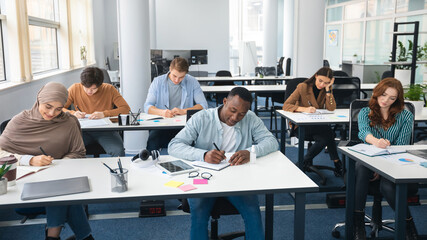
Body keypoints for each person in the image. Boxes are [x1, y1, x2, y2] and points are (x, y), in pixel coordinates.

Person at [168, 87, 278, 240]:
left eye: (241, 114)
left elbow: (272, 142)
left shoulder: (250, 118)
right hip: (205, 179)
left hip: (238, 179)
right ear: (224, 101)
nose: (235, 117)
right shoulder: (201, 118)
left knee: (253, 213)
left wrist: (251, 152)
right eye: (232, 110)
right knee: (199, 214)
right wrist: (203, 155)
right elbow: (174, 146)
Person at [0, 82, 93, 240]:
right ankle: (84, 237)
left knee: (58, 188)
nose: (52, 113)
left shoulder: (69, 122)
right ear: (38, 99)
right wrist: (29, 160)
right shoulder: (19, 121)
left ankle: (54, 237)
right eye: (48, 106)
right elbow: (1, 153)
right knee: (63, 194)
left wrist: (59, 164)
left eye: (59, 108)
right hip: (26, 187)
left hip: (59, 181)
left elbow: (78, 152)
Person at [353, 78, 418, 240]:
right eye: (383, 95)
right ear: (377, 92)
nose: (385, 100)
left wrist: (381, 170)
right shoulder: (365, 112)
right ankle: (358, 224)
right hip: (368, 162)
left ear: (397, 99)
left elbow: (401, 146)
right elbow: (363, 133)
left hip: (393, 163)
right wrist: (376, 142)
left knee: (388, 186)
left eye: (392, 98)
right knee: (362, 167)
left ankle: (409, 226)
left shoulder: (405, 116)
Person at [282, 67, 343, 176]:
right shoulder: (303, 87)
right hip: (301, 126)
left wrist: (328, 90)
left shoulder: (326, 89)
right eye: (320, 81)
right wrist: (304, 109)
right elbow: (286, 105)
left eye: (326, 83)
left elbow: (331, 108)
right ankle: (337, 163)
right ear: (315, 76)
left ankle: (303, 162)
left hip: (317, 125)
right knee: (328, 133)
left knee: (324, 137)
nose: (322, 85)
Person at [144, 57, 208, 151]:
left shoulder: (192, 82)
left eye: (181, 77)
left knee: (196, 143)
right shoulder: (157, 82)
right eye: (174, 76)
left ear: (186, 74)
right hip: (162, 125)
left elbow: (203, 105)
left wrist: (183, 111)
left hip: (184, 125)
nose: (177, 80)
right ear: (170, 69)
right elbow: (147, 106)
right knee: (152, 142)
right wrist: (162, 112)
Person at [63, 67, 130, 157]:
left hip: (105, 131)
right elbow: (59, 108)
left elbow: (126, 109)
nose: (89, 91)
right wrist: (73, 113)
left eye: (93, 89)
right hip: (82, 131)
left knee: (118, 150)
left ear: (100, 85)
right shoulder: (74, 88)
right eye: (86, 88)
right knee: (66, 148)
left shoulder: (109, 89)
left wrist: (104, 114)